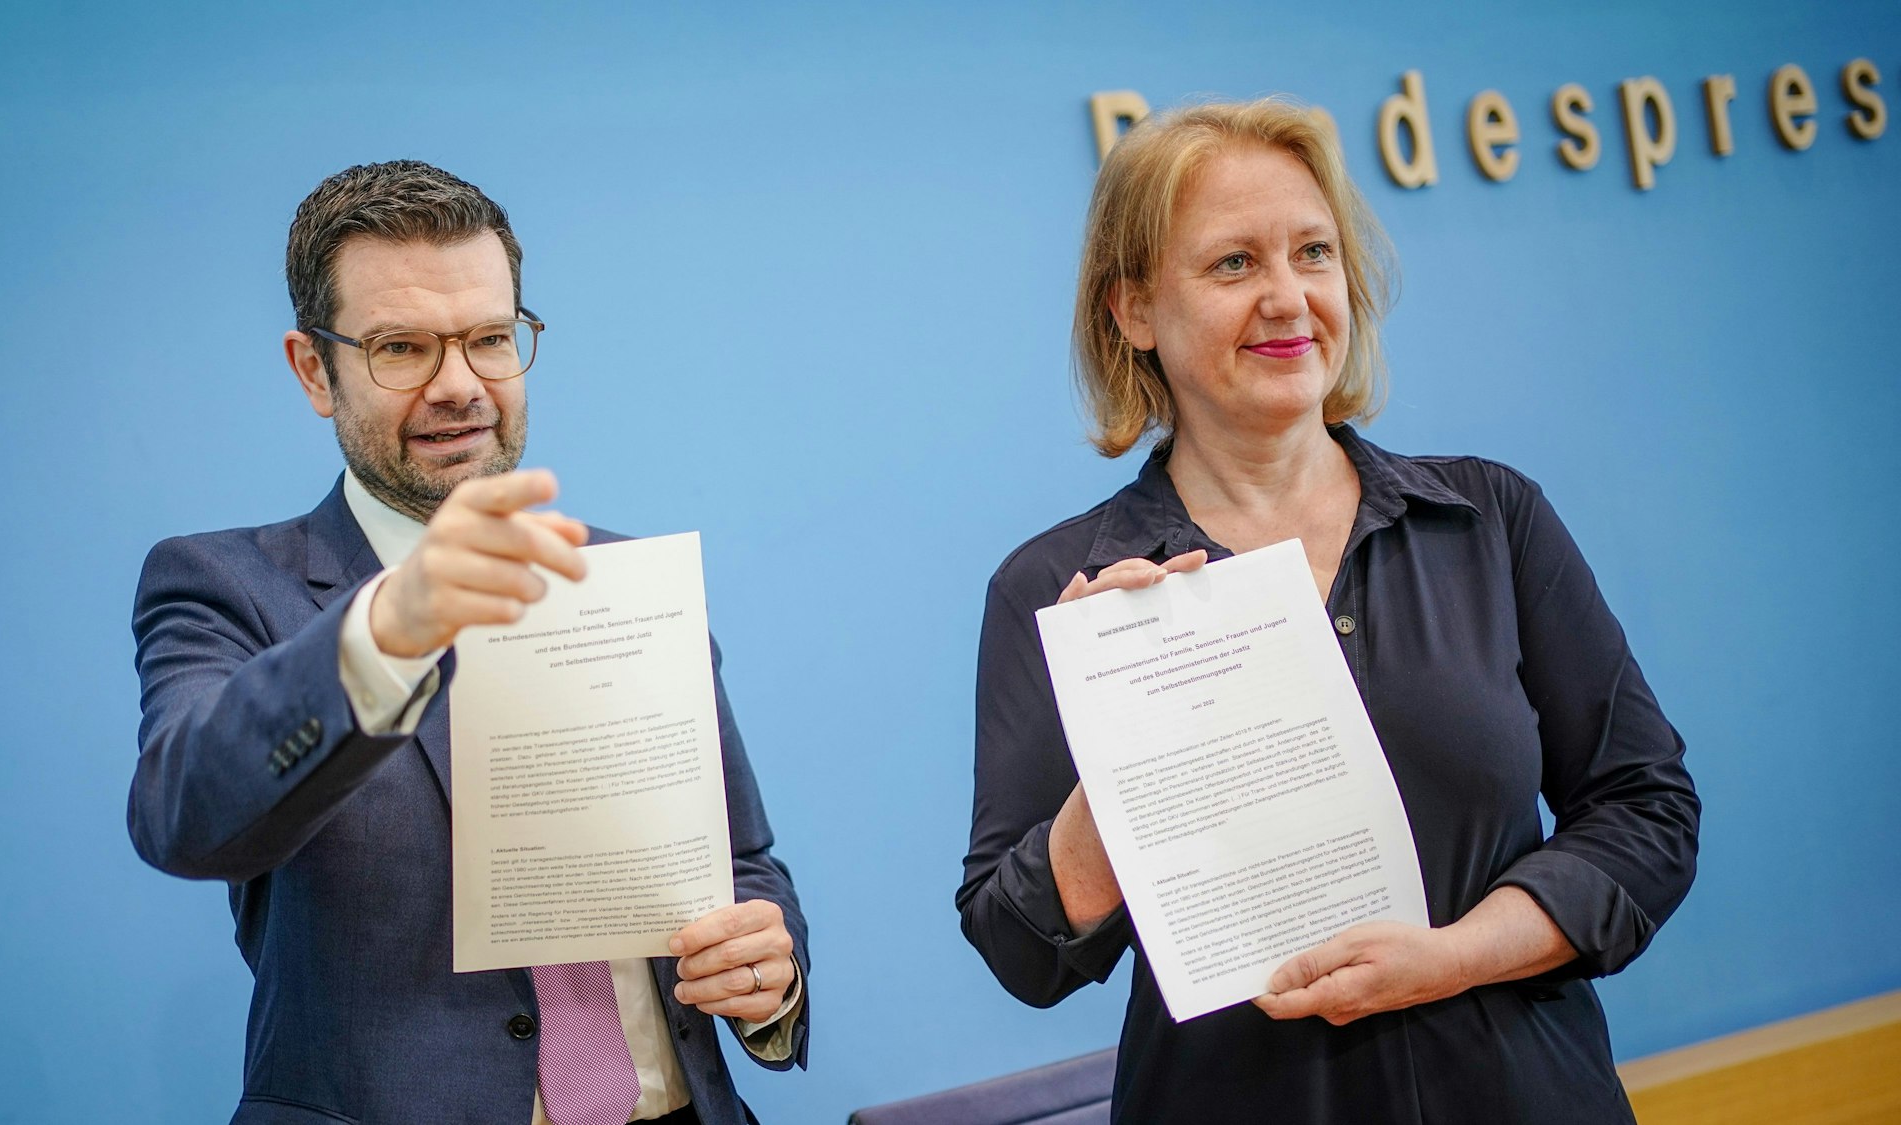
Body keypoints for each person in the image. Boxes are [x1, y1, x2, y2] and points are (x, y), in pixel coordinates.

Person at [957, 101, 1699, 1123]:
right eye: (1230, 265)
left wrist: (1451, 958)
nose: (1286, 297)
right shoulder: (1060, 589)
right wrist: (1118, 755)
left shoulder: (1489, 518)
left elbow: (1645, 812)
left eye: (1312, 252)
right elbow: (1018, 950)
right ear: (1131, 312)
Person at [129, 161, 807, 1125]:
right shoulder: (227, 586)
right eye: (403, 347)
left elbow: (743, 860)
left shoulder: (627, 583)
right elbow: (183, 815)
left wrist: (769, 977)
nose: (460, 385)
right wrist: (386, 630)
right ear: (314, 369)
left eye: (490, 338)